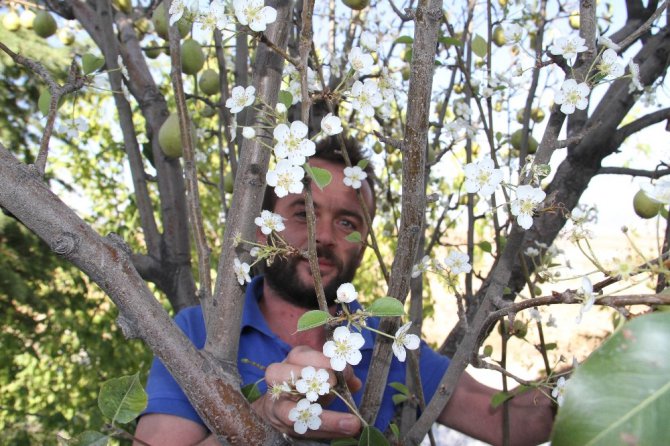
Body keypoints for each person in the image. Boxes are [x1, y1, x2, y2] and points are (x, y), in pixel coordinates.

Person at [134, 139, 554, 446]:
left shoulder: (386, 340)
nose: (324, 237)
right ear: (265, 227)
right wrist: (259, 422)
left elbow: (514, 419)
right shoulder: (199, 329)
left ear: (365, 242)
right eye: (304, 213)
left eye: (348, 223)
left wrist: (595, 383)